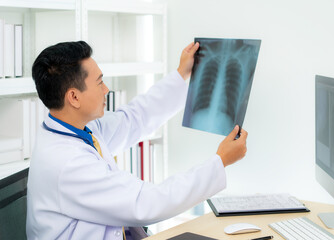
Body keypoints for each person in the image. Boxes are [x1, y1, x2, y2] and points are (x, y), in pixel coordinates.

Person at [26, 41, 248, 240]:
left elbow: (134, 119)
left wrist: (181, 74)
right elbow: (147, 202)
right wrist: (220, 161)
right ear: (74, 97)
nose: (106, 89)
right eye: (99, 82)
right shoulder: (68, 163)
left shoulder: (78, 128)